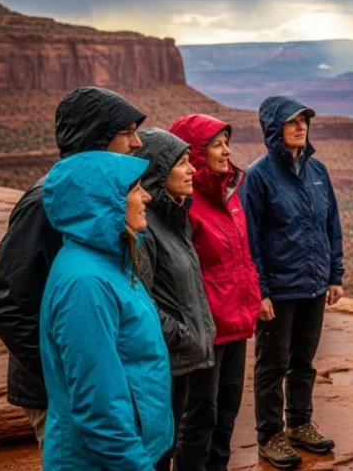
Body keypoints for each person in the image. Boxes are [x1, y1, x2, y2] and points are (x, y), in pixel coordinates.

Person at [0, 86, 146, 450]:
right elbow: (8, 307)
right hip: (63, 392)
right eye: (127, 133)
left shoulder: (95, 196)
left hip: (95, 381)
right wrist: (70, 373)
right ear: (96, 137)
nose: (137, 144)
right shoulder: (46, 202)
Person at [39, 150, 174, 469]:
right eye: (134, 188)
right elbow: (98, 407)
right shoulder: (86, 283)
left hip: (125, 451)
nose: (147, 197)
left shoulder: (112, 262)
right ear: (102, 201)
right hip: (102, 460)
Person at [241, 95, 344, 469]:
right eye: (292, 122)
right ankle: (270, 435)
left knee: (304, 360)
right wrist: (260, 292)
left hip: (314, 284)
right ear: (274, 129)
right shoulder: (258, 177)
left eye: (304, 120)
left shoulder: (318, 170)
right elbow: (249, 240)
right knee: (273, 364)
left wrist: (335, 275)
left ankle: (300, 423)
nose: (301, 127)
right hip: (279, 290)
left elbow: (331, 226)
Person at [169, 114, 262, 471]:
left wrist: (253, 299)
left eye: (227, 143)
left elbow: (244, 255)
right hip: (206, 328)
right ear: (194, 153)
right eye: (217, 145)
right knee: (199, 417)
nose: (227, 152)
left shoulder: (231, 193)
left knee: (227, 412)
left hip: (237, 322)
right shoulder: (186, 203)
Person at [136, 128, 217, 471]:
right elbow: (140, 298)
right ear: (158, 171)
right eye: (183, 163)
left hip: (180, 357)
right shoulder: (145, 227)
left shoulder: (174, 217)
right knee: (156, 449)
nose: (193, 170)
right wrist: (180, 334)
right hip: (163, 360)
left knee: (169, 444)